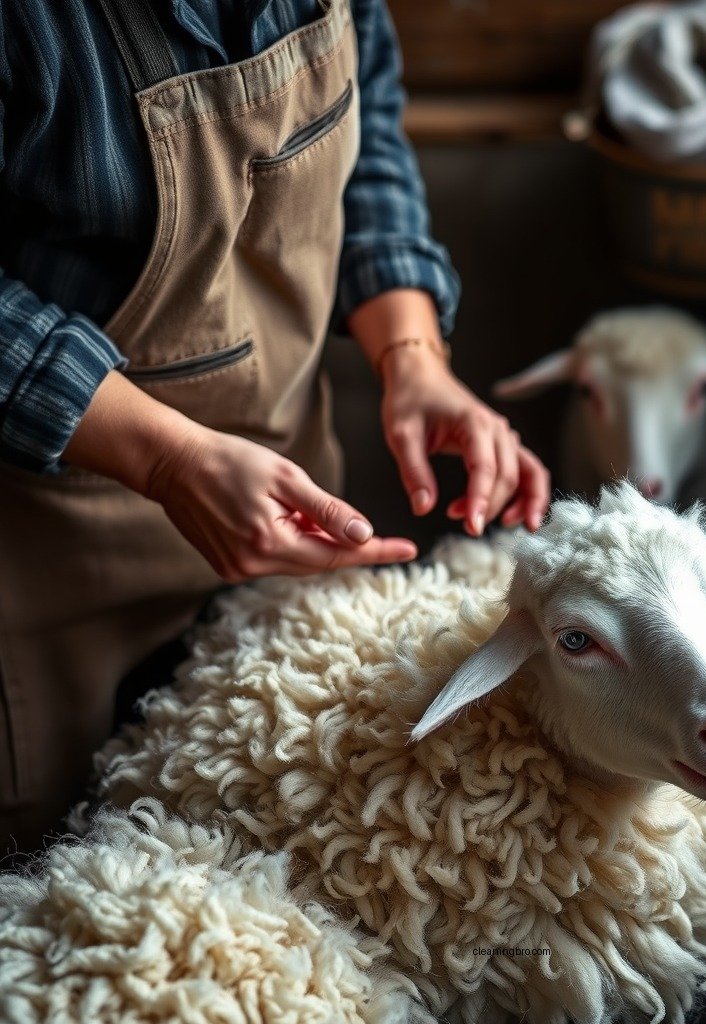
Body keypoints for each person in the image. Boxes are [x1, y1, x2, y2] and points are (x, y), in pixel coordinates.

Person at [0, 0, 550, 852]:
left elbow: (366, 147)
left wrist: (413, 356)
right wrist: (172, 461)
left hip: (289, 495)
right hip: (47, 556)